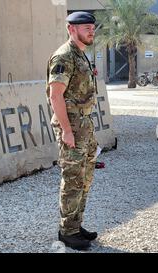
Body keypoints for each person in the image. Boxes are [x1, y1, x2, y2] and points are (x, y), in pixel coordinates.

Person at [46, 11, 98, 251]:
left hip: (85, 125)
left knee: (85, 178)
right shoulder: (64, 56)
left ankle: (76, 225)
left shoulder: (81, 55)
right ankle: (67, 232)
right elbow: (55, 96)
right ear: (71, 29)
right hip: (72, 128)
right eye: (85, 27)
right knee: (73, 179)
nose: (91, 30)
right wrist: (66, 131)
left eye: (92, 27)